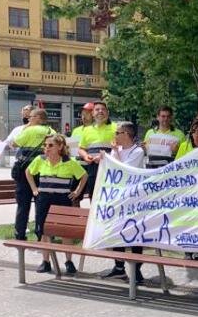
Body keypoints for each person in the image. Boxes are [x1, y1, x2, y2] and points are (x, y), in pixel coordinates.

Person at [26, 135, 87, 274]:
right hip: (44, 199)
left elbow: (84, 176)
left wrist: (77, 192)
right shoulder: (40, 160)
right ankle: (46, 262)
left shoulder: (69, 162)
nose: (46, 148)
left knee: (65, 231)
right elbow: (28, 172)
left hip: (62, 199)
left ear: (60, 146)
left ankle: (69, 261)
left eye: (50, 145)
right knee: (44, 230)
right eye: (45, 145)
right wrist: (34, 189)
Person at [99, 122, 147, 281]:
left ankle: (136, 269)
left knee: (135, 234)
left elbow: (124, 170)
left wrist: (113, 153)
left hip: (134, 199)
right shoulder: (117, 151)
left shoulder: (138, 151)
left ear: (126, 134)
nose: (115, 136)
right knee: (118, 231)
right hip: (118, 199)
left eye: (118, 133)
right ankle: (119, 266)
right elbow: (112, 170)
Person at [11, 109, 56, 243]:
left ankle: (20, 234)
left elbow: (14, 143)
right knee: (42, 205)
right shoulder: (51, 132)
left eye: (31, 117)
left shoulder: (29, 130)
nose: (28, 119)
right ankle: (42, 235)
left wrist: (28, 128)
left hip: (26, 170)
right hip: (45, 170)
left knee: (23, 205)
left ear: (38, 117)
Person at [78, 102, 116, 200]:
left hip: (110, 168)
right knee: (94, 196)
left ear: (108, 112)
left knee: (109, 196)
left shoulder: (116, 128)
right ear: (92, 114)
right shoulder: (87, 130)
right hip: (92, 168)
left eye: (103, 109)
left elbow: (121, 148)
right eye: (97, 109)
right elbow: (81, 149)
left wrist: (105, 157)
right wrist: (86, 156)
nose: (100, 111)